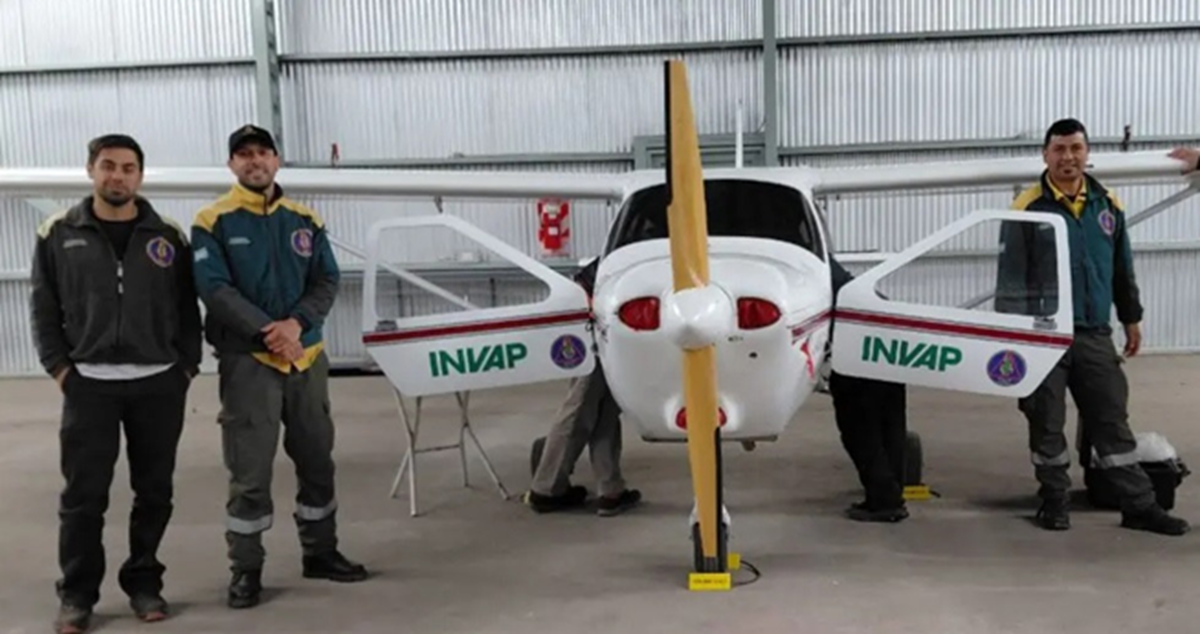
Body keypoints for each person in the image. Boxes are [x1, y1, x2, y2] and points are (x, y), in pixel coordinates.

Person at [29, 134, 202, 633]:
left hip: (158, 384)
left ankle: (144, 581)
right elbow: (43, 307)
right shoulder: (58, 232)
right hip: (89, 385)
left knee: (155, 491)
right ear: (90, 170)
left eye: (128, 168)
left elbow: (187, 307)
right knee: (84, 496)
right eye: (108, 166)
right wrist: (61, 369)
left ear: (140, 176)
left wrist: (184, 367)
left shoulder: (166, 235)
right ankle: (78, 594)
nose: (118, 176)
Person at [191, 124, 367, 610]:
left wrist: (297, 324)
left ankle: (321, 552)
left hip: (306, 358)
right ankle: (245, 570)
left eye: (263, 153)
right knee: (249, 470)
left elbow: (327, 279)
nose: (254, 161)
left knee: (317, 459)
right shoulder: (212, 221)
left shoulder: (304, 219)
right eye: (244, 155)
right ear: (231, 165)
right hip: (249, 362)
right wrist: (271, 331)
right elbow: (215, 289)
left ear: (277, 160)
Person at [996, 118, 1188, 535]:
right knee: (1045, 422)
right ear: (1045, 155)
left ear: (1087, 153)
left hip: (1094, 333)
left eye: (1076, 148)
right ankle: (1054, 502)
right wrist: (1014, 338)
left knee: (1111, 422)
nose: (1068, 157)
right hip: (1043, 333)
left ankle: (1138, 505)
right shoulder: (1028, 208)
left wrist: (1131, 317)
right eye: (1060, 149)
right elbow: (1011, 278)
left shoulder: (1107, 205)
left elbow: (1122, 268)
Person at [523, 257, 642, 516]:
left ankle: (611, 489)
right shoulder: (631, 248)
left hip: (617, 336)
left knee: (606, 410)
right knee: (580, 408)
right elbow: (584, 285)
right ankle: (547, 487)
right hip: (597, 331)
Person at [825, 256, 910, 522]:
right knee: (890, 426)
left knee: (859, 431)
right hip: (889, 348)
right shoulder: (843, 281)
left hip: (860, 356)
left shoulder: (813, 278)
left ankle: (884, 501)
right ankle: (892, 493)